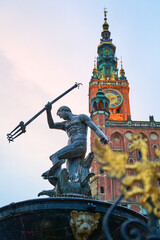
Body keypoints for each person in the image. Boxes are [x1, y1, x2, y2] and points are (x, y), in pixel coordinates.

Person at [45, 102, 108, 180]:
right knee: (72, 175)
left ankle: (58, 174)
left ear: (64, 110)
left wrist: (102, 136)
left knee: (54, 156)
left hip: (79, 144)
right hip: (72, 147)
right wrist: (48, 111)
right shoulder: (65, 124)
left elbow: (94, 128)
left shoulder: (81, 117)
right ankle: (73, 186)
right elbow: (52, 125)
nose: (61, 117)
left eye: (60, 115)